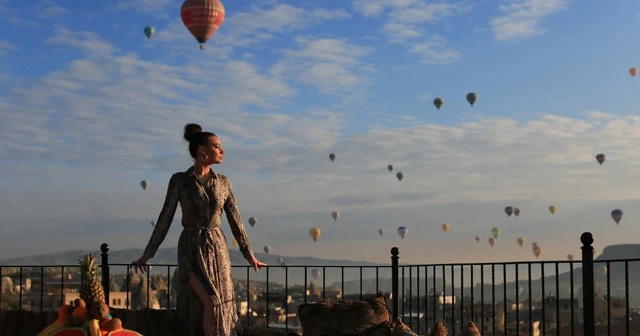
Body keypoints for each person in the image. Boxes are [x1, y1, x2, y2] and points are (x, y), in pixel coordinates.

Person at [131, 123, 267, 336]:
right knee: (210, 301)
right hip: (191, 248)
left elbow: (236, 221)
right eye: (217, 146)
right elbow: (165, 218)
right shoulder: (180, 180)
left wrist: (249, 254)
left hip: (218, 249)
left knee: (220, 305)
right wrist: (147, 255)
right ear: (203, 151)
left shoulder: (224, 183)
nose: (222, 151)